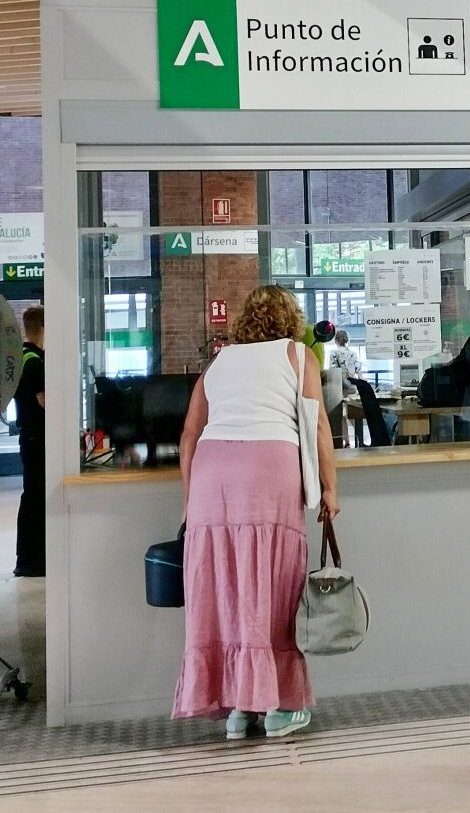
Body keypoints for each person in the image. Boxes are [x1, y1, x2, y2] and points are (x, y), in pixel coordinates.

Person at [174, 286, 339, 741]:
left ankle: (237, 709)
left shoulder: (220, 362)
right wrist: (329, 487)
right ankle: (281, 707)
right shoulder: (299, 355)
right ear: (292, 318)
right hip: (269, 470)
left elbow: (188, 436)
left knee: (225, 588)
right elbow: (318, 423)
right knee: (274, 587)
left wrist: (192, 503)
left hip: (212, 478)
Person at [12, 306, 46, 578]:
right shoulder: (33, 360)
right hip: (37, 437)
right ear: (43, 327)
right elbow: (46, 402)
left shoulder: (24, 357)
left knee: (32, 496)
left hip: (31, 436)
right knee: (36, 497)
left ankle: (29, 557)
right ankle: (30, 560)